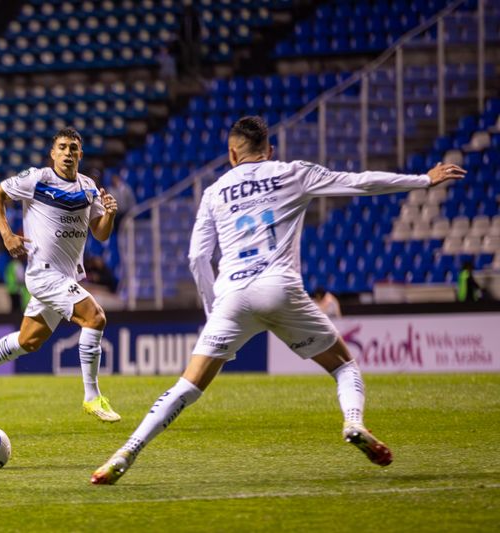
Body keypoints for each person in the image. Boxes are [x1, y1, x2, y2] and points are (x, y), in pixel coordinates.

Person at [91, 116, 467, 484]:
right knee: (343, 366)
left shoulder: (214, 191)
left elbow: (197, 258)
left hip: (233, 295)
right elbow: (358, 183)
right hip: (279, 286)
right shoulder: (292, 172)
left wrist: (213, 308)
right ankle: (353, 422)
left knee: (188, 386)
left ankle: (128, 450)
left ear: (232, 155)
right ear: (269, 150)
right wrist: (423, 179)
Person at [0, 127, 121, 422]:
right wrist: (7, 235)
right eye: (62, 147)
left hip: (66, 276)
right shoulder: (38, 178)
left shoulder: (88, 186)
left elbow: (101, 234)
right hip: (44, 275)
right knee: (95, 318)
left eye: (73, 148)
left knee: (28, 341)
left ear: (80, 154)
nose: (68, 152)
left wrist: (109, 214)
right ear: (52, 153)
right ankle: (92, 397)